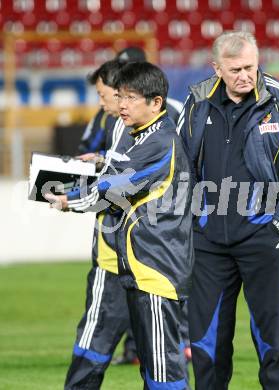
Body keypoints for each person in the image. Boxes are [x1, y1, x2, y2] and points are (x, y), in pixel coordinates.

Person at [177, 30, 279, 389]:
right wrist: (191, 221)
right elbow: (180, 167)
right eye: (235, 70)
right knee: (206, 343)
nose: (245, 75)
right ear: (217, 68)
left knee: (270, 341)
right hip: (208, 241)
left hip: (264, 238)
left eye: (250, 66)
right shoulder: (197, 102)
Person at [46, 62, 194, 389]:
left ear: (155, 102)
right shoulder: (141, 134)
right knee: (154, 368)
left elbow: (115, 188)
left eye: (128, 97)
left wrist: (70, 200)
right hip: (142, 268)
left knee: (163, 372)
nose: (119, 104)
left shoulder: (160, 140)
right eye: (119, 96)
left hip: (155, 270)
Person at [62, 59, 135, 389]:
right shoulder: (151, 126)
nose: (102, 103)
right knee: (160, 356)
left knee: (94, 341)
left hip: (117, 259)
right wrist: (104, 162)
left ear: (122, 93)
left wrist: (70, 200)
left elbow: (124, 184)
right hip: (156, 261)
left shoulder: (125, 126)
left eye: (104, 95)